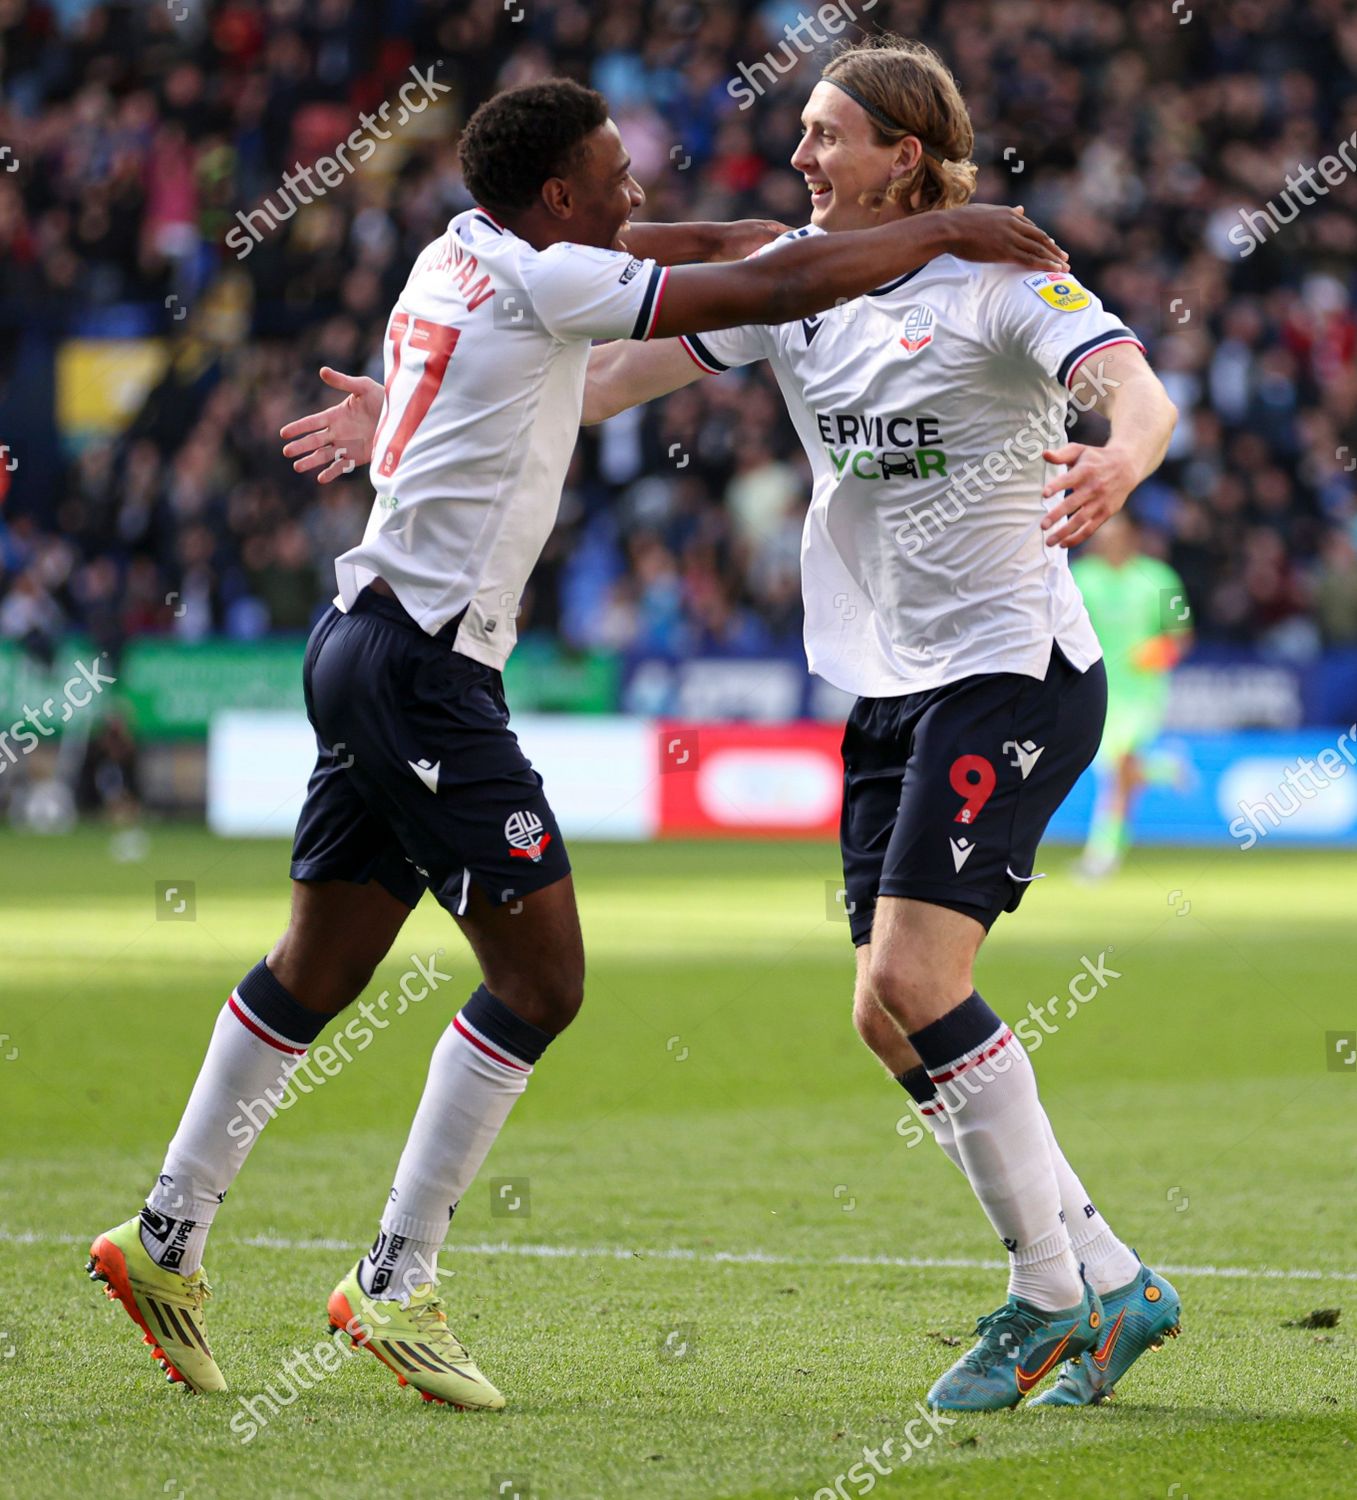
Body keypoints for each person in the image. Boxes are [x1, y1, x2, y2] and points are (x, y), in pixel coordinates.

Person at [87, 75, 1068, 1409]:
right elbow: (769, 292)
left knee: (313, 966)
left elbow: (707, 248)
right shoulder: (552, 286)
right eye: (615, 177)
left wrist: (844, 237)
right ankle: (393, 1278)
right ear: (557, 201)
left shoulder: (462, 247)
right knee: (543, 984)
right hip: (428, 674)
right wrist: (951, 232)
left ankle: (165, 1238)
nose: (638, 194)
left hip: (359, 649)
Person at [580, 36, 1183, 1410]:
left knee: (914, 982)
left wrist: (1118, 465)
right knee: (884, 1012)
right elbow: (617, 377)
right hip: (891, 681)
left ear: (904, 155)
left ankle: (1045, 1303)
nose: (800, 155)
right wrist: (443, 414)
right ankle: (1108, 1276)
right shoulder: (795, 287)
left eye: (828, 134)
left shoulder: (998, 282)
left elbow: (1138, 388)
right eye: (800, 131)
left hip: (1015, 672)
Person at [1071, 512, 1194, 878]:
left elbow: (1182, 636)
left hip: (1142, 692)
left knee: (1120, 765)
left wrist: (1156, 653)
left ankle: (1102, 853)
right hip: (1094, 691)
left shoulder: (1161, 579)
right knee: (1116, 769)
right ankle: (1164, 769)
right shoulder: (1079, 578)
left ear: (1132, 538)